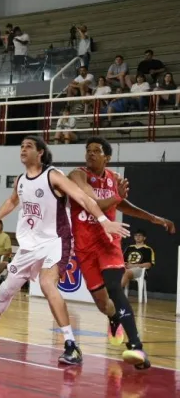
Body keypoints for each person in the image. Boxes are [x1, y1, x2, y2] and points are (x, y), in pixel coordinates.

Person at [0, 135, 129, 365]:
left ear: (40, 152)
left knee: (46, 284)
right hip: (29, 246)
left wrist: (103, 220)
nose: (23, 149)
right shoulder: (20, 180)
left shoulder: (53, 175)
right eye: (21, 146)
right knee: (5, 289)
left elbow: (82, 197)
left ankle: (72, 345)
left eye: (28, 146)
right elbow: (12, 201)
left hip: (56, 241)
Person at [67, 137, 174, 369]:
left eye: (96, 151)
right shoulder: (77, 175)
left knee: (115, 286)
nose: (91, 154)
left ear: (108, 157)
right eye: (88, 150)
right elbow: (91, 202)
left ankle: (136, 346)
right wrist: (117, 197)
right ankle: (113, 318)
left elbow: (122, 206)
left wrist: (153, 218)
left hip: (108, 241)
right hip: (85, 247)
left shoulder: (114, 178)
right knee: (103, 303)